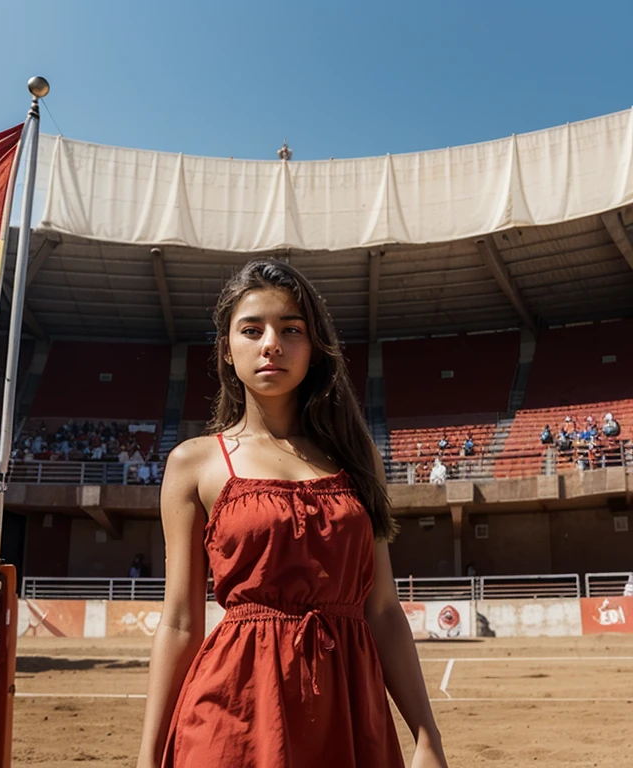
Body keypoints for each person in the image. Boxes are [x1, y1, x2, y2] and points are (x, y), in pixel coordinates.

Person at [137, 260, 446, 768]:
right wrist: (149, 756)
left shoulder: (356, 456)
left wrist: (426, 735)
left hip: (348, 707)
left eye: (291, 329)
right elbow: (179, 621)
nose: (271, 343)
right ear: (226, 349)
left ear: (314, 347)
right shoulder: (194, 462)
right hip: (235, 710)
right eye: (252, 329)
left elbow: (384, 610)